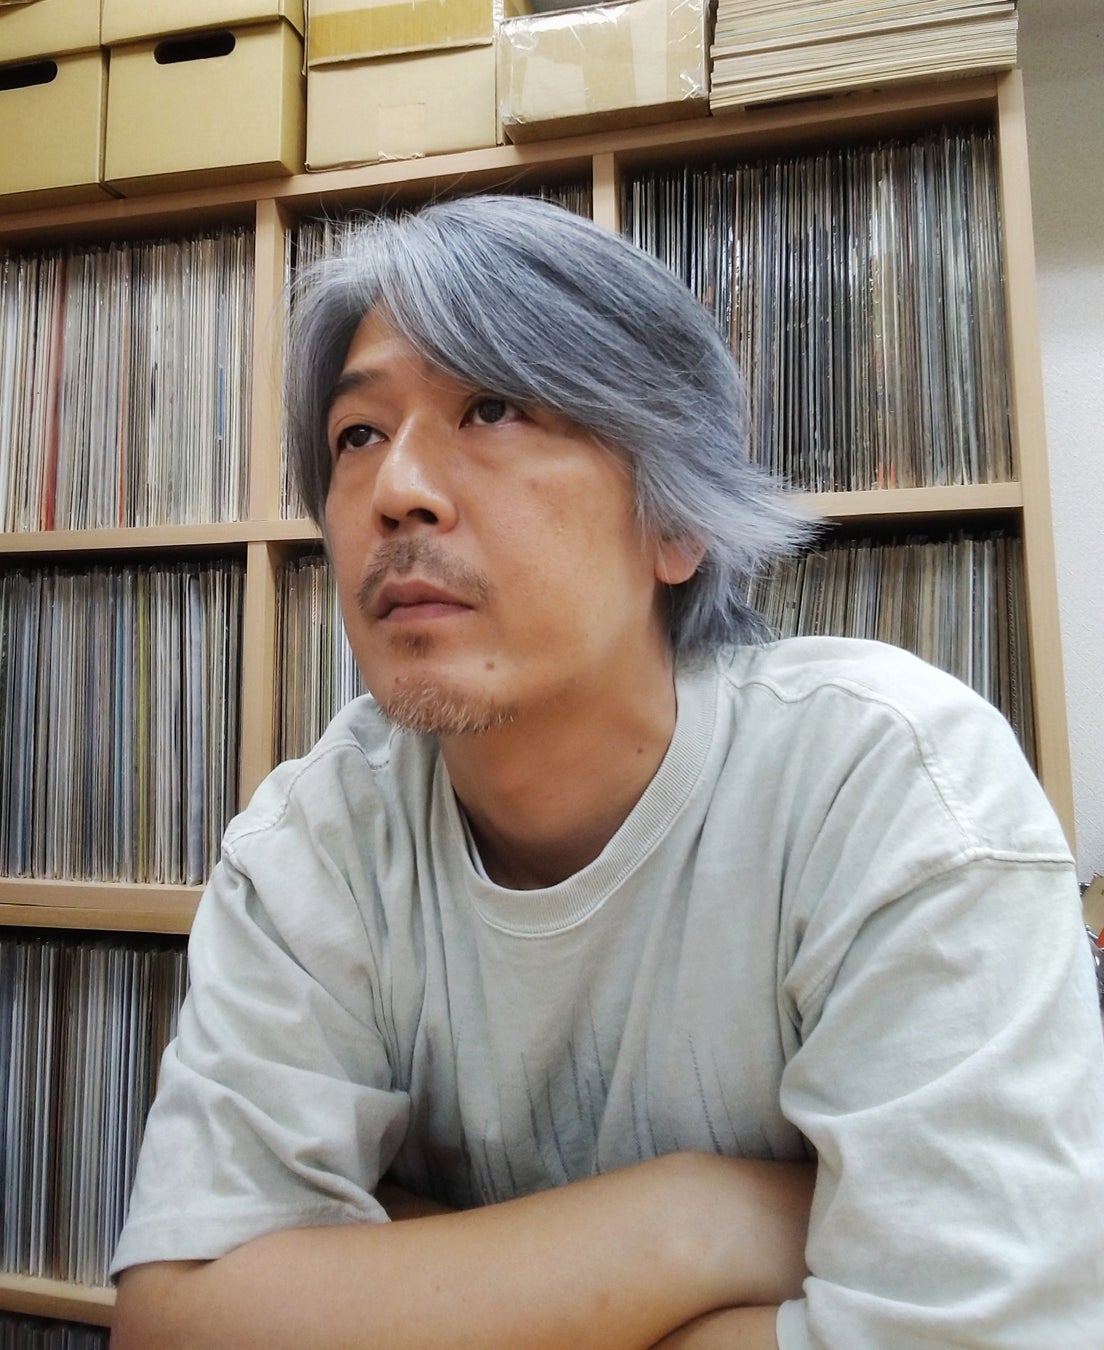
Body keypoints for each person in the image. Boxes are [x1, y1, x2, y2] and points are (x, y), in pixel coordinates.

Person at [110, 194, 1104, 1349]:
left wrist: (393, 1274)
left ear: (674, 522)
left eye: (492, 408)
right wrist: (697, 1223)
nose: (396, 491)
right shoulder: (313, 844)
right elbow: (176, 1322)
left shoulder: (890, 783)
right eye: (358, 435)